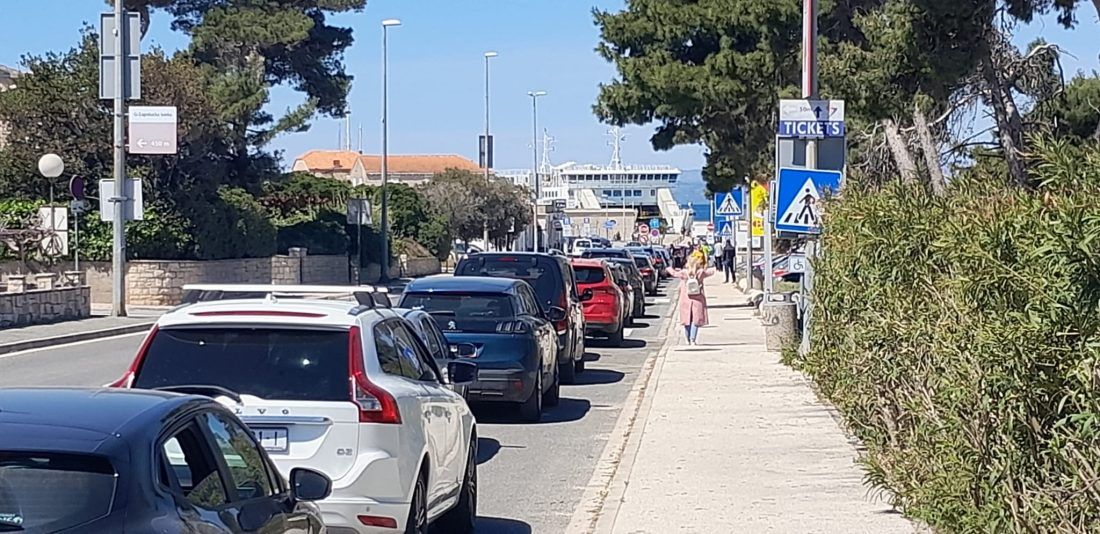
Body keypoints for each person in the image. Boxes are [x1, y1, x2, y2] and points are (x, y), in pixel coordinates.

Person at [666, 252, 716, 345]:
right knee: (695, 320)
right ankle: (693, 339)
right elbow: (711, 272)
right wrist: (715, 265)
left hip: (686, 298)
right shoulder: (700, 273)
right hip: (698, 298)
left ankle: (687, 339)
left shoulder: (684, 273)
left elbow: (674, 273)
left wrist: (667, 267)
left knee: (686, 319)